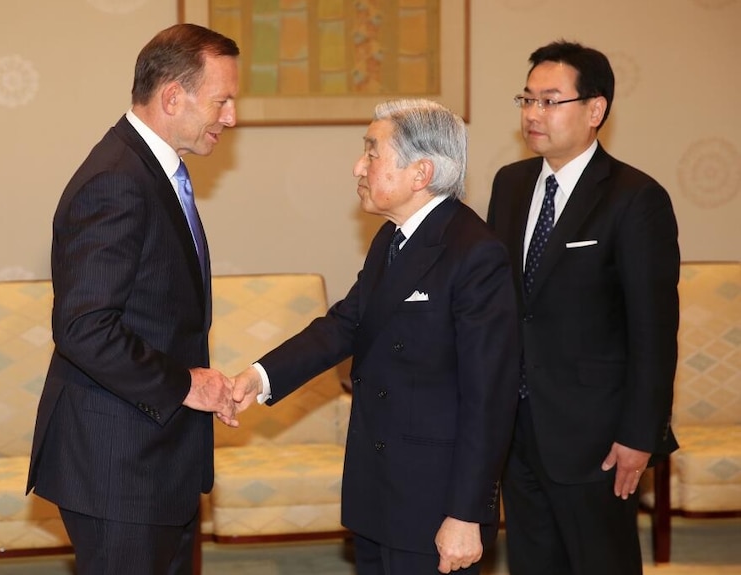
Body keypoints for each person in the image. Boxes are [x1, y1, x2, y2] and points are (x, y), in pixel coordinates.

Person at [233, 98, 520, 574]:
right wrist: (259, 377)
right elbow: (347, 323)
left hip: (433, 499)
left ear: (420, 172)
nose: (357, 167)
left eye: (372, 153)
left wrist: (468, 513)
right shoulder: (392, 237)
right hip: (379, 487)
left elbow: (490, 398)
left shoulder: (475, 253)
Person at [26, 23, 240, 575]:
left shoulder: (153, 170)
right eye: (222, 101)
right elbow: (84, 328)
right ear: (173, 96)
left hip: (154, 455)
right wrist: (185, 383)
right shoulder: (117, 179)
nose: (231, 118)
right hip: (117, 464)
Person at [486, 41, 680, 575]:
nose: (532, 114)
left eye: (550, 101)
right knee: (532, 562)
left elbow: (654, 331)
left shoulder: (635, 198)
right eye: (527, 99)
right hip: (518, 427)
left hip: (598, 438)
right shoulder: (510, 185)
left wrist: (641, 435)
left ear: (596, 110)